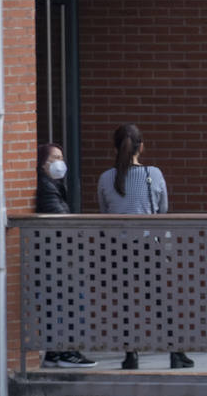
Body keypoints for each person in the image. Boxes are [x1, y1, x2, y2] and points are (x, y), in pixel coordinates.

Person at [97, 123, 189, 370]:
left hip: (119, 248)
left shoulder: (106, 178)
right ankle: (176, 353)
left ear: (115, 147)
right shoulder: (153, 174)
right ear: (142, 147)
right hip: (148, 246)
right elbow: (162, 210)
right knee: (159, 300)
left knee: (125, 302)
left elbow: (105, 213)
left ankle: (131, 355)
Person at [37, 143, 95, 368]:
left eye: (61, 157)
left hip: (56, 255)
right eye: (54, 158)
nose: (59, 163)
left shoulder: (54, 185)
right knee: (71, 301)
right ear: (42, 164)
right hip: (57, 256)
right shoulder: (47, 187)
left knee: (57, 302)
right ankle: (67, 350)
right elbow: (58, 216)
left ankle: (56, 350)